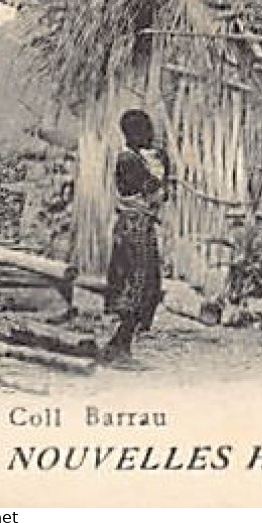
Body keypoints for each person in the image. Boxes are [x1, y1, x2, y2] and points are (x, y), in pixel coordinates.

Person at [103, 110, 172, 364]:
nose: (151, 134)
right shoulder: (129, 161)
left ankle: (120, 345)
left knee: (145, 285)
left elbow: (161, 193)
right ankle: (119, 347)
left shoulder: (138, 159)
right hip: (134, 229)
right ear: (134, 134)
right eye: (146, 130)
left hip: (140, 226)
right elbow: (153, 189)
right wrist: (159, 169)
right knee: (137, 285)